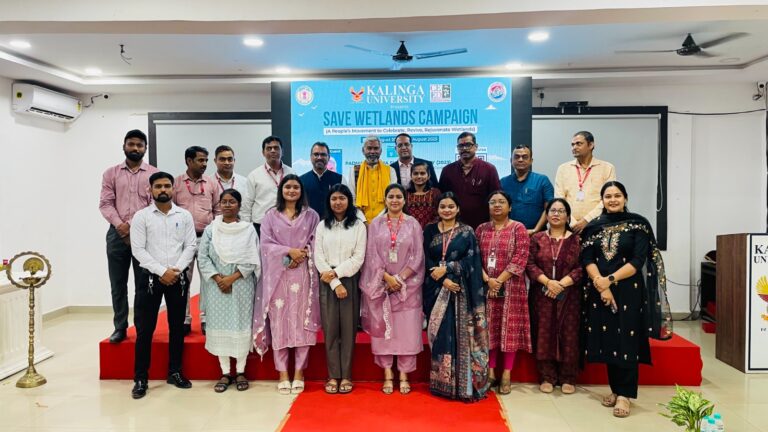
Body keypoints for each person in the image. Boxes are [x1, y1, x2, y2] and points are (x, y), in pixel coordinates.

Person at [580, 181, 672, 418]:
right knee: (608, 337)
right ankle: (615, 389)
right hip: (600, 289)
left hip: (629, 290)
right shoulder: (594, 227)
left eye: (617, 195)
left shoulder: (638, 224)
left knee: (627, 338)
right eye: (608, 196)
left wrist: (609, 280)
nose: (612, 200)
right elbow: (587, 258)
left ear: (625, 198)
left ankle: (625, 394)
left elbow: (638, 260)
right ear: (602, 200)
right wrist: (600, 283)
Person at [129, 171, 197, 399]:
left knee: (177, 327)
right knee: (145, 329)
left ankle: (175, 372)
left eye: (167, 186)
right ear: (150, 190)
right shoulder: (141, 217)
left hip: (177, 277)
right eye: (158, 186)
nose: (163, 190)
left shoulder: (184, 215)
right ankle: (141, 378)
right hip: (150, 278)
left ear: (173, 188)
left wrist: (176, 270)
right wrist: (161, 271)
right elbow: (138, 250)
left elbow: (190, 246)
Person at [252, 174, 320, 395]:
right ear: (281, 190)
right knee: (279, 322)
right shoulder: (270, 216)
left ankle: (299, 372)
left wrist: (301, 255)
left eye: (295, 187)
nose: (291, 190)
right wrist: (288, 252)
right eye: (287, 187)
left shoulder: (311, 215)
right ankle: (282, 373)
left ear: (301, 191)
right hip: (278, 276)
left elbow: (315, 241)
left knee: (302, 322)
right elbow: (265, 245)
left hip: (303, 273)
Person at [423, 192, 489, 402]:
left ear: (458, 209)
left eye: (451, 206)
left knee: (461, 336)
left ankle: (464, 386)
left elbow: (473, 261)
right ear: (437, 209)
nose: (447, 210)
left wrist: (450, 268)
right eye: (443, 206)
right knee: (440, 335)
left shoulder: (467, 232)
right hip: (436, 289)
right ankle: (442, 383)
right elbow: (425, 259)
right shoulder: (429, 230)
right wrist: (443, 279)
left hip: (461, 291)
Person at [360, 183, 425, 395]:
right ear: (385, 200)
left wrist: (399, 279)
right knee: (384, 332)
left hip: (408, 288)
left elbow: (418, 256)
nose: (395, 200)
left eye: (398, 196)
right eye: (391, 197)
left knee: (406, 332)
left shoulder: (413, 224)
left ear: (405, 200)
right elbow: (371, 254)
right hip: (382, 286)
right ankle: (388, 374)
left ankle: (404, 375)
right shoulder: (376, 224)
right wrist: (386, 278)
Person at [197, 189, 260, 393]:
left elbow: (253, 258)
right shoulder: (211, 229)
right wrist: (219, 279)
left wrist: (232, 279)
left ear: (239, 205)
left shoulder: (248, 229)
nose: (227, 205)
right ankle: (225, 372)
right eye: (224, 201)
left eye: (232, 201)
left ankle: (240, 371)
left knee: (241, 324)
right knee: (220, 326)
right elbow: (203, 257)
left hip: (241, 284)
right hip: (216, 287)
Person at [99, 129, 159, 343]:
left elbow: (154, 204)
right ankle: (120, 327)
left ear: (145, 148)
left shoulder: (154, 174)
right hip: (116, 235)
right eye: (131, 144)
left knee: (143, 284)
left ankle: (141, 327)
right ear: (124, 146)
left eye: (139, 145)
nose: (135, 148)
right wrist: (120, 225)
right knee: (118, 284)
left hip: (144, 235)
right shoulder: (111, 173)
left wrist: (131, 225)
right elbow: (105, 203)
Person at [475, 191, 531, 394]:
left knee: (509, 331)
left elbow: (520, 257)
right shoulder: (481, 229)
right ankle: (490, 373)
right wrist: (488, 280)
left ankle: (506, 374)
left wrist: (498, 281)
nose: (497, 205)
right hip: (486, 288)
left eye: (501, 202)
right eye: (493, 202)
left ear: (510, 206)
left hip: (512, 288)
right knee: (488, 329)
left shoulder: (519, 228)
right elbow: (474, 258)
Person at [526, 198, 583, 395]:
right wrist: (548, 283)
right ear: (547, 215)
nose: (556, 214)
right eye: (552, 210)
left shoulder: (577, 240)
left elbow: (582, 267)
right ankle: (547, 376)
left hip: (570, 294)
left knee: (569, 333)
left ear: (568, 216)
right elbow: (529, 264)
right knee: (543, 331)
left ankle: (568, 377)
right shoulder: (537, 238)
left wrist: (561, 284)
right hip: (542, 293)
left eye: (561, 211)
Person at [314, 184, 366, 394]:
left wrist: (337, 275)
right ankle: (333, 375)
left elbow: (359, 258)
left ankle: (346, 375)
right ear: (329, 201)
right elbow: (318, 256)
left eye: (342, 198)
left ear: (349, 201)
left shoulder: (358, 225)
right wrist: (334, 282)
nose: (338, 202)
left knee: (348, 330)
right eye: (334, 198)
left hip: (349, 280)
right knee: (330, 330)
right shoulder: (322, 226)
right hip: (327, 281)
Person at [174, 146, 222, 335]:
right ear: (189, 161)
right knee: (182, 281)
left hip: (205, 238)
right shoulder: (176, 183)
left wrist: (215, 233)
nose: (204, 164)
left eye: (206, 160)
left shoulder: (211, 183)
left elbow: (218, 209)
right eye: (200, 160)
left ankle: (206, 319)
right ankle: (184, 319)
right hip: (183, 241)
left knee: (209, 280)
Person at [554, 131, 616, 234]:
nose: (574, 147)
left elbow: (608, 198)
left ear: (591, 145)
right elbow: (559, 199)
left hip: (598, 225)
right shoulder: (563, 169)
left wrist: (587, 220)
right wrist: (572, 222)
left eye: (578, 144)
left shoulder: (607, 168)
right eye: (572, 145)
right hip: (569, 226)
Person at [438, 132, 501, 229]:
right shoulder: (447, 170)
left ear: (476, 147)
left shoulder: (489, 169)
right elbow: (441, 199)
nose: (464, 149)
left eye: (468, 145)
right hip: (453, 227)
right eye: (461, 146)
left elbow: (496, 199)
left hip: (482, 226)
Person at [242, 136, 295, 235]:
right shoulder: (254, 175)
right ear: (263, 152)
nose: (273, 151)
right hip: (261, 226)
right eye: (269, 148)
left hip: (287, 224)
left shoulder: (292, 173)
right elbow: (247, 204)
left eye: (276, 148)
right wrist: (247, 228)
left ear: (282, 151)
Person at [500, 145, 554, 235]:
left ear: (531, 161)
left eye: (524, 157)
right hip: (509, 234)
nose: (520, 160)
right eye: (517, 157)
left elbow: (549, 209)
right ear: (511, 160)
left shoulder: (542, 180)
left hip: (537, 235)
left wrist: (535, 230)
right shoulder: (503, 182)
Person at [347, 135, 397, 223]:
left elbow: (392, 198)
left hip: (385, 221)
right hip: (360, 222)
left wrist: (378, 221)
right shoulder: (354, 171)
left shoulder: (390, 171)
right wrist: (363, 221)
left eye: (376, 148)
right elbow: (352, 199)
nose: (372, 151)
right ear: (363, 150)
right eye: (369, 148)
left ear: (380, 151)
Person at [300, 141, 349, 217]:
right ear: (311, 157)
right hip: (309, 223)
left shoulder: (340, 179)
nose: (319, 157)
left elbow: (347, 204)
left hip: (333, 223)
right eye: (316, 154)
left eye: (323, 154)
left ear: (328, 157)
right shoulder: (301, 180)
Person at [405, 161, 441, 229]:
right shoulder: (405, 194)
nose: (419, 176)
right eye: (415, 173)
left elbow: (439, 214)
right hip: (409, 231)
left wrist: (428, 229)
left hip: (431, 232)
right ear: (411, 176)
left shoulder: (435, 193)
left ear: (428, 176)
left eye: (422, 173)